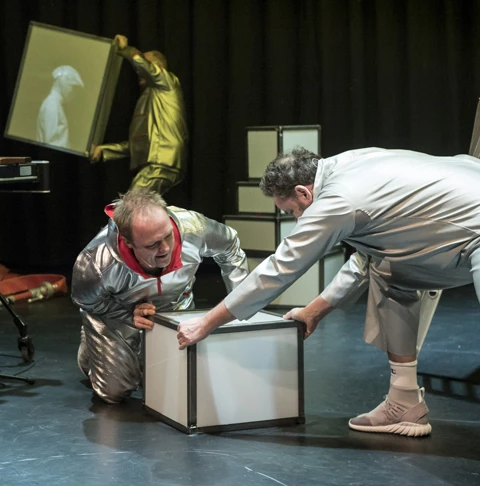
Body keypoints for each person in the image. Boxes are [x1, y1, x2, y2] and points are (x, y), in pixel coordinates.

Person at [175, 147, 480, 437]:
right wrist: (313, 312)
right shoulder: (349, 164)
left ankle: (404, 402)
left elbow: (281, 268)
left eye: (292, 211)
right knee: (391, 272)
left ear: (303, 193)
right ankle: (404, 401)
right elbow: (369, 257)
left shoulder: (337, 199)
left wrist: (207, 322)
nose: (297, 220)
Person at [72, 188, 249, 403]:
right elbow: (87, 301)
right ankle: (90, 350)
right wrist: (128, 313)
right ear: (128, 242)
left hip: (177, 305)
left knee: (182, 380)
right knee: (115, 392)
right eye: (152, 244)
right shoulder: (97, 261)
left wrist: (239, 305)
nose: (165, 248)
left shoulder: (194, 229)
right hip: (119, 313)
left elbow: (231, 246)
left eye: (168, 236)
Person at [90, 35, 188, 196]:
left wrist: (126, 50)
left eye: (144, 63)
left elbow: (145, 67)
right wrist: (104, 150)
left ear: (159, 68)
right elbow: (137, 145)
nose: (138, 69)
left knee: (133, 203)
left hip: (162, 162)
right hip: (158, 163)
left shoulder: (168, 83)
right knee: (141, 206)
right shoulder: (148, 99)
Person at [36, 65, 84, 150]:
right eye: (72, 87)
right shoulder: (52, 104)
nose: (72, 92)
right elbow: (51, 143)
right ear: (63, 84)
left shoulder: (55, 104)